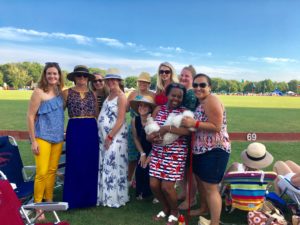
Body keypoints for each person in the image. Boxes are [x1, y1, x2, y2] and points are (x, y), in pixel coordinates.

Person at [181, 73, 231, 225]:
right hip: (201, 150)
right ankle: (204, 209)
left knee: (211, 188)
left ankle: (215, 222)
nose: (198, 88)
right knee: (202, 184)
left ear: (210, 87)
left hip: (214, 150)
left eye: (202, 85)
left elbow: (216, 127)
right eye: (195, 85)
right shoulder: (201, 101)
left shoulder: (211, 100)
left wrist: (193, 123)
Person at [147, 83, 190, 225]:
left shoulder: (184, 113)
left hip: (175, 154)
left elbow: (187, 131)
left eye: (179, 96)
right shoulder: (158, 109)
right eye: (173, 95)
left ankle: (174, 211)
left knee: (167, 186)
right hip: (158, 152)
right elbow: (149, 127)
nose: (176, 99)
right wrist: (149, 137)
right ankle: (165, 208)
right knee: (153, 184)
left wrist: (167, 128)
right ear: (167, 95)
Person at [27, 62, 64, 220]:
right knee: (41, 172)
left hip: (57, 138)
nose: (52, 76)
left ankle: (49, 201)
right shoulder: (38, 92)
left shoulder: (59, 92)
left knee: (52, 171)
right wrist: (33, 140)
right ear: (45, 74)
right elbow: (30, 116)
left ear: (59, 75)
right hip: (42, 137)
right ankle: (38, 207)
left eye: (55, 74)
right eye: (49, 73)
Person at [62, 65, 99, 209]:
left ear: (88, 78)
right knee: (74, 161)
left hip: (90, 128)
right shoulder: (66, 93)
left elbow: (96, 114)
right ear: (74, 78)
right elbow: (59, 113)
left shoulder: (93, 94)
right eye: (79, 76)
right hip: (75, 128)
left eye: (84, 76)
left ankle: (89, 199)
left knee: (90, 161)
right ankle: (73, 198)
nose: (82, 78)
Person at [97, 68, 129, 208]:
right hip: (105, 136)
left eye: (113, 79)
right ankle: (105, 195)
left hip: (116, 137)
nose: (110, 82)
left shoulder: (121, 96)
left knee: (113, 165)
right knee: (106, 165)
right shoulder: (109, 94)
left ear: (118, 81)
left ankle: (114, 197)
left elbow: (121, 120)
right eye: (108, 80)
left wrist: (110, 137)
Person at [126, 72, 155, 187]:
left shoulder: (153, 95)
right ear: (138, 82)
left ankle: (143, 180)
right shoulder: (132, 94)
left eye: (145, 82)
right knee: (133, 155)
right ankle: (130, 179)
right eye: (141, 81)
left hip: (148, 126)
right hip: (134, 125)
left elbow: (155, 110)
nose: (143, 84)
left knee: (148, 153)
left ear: (149, 84)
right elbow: (127, 109)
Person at [177, 65, 198, 210]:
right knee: (185, 167)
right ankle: (185, 192)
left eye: (187, 76)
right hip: (184, 133)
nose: (183, 78)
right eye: (182, 75)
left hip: (189, 133)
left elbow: (187, 115)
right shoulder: (185, 91)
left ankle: (192, 198)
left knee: (190, 168)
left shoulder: (190, 93)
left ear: (193, 79)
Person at [130, 95, 156, 200]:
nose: (142, 108)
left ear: (150, 108)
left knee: (149, 169)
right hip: (142, 150)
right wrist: (142, 154)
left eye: (145, 106)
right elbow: (136, 138)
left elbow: (157, 142)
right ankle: (141, 192)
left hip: (155, 150)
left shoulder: (154, 121)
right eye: (140, 105)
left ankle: (155, 194)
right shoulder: (134, 120)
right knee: (141, 168)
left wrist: (149, 156)